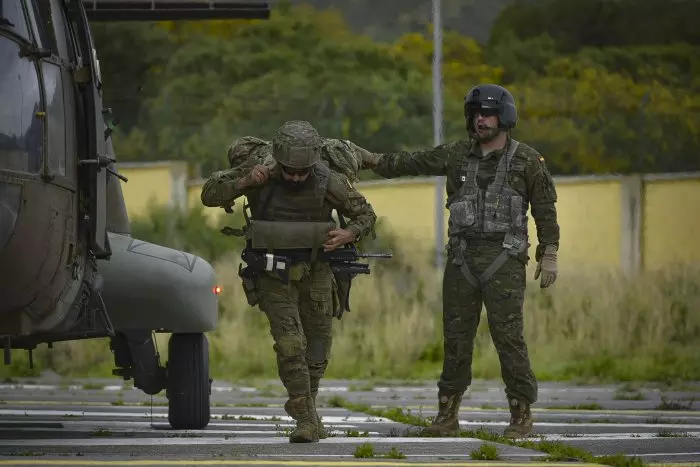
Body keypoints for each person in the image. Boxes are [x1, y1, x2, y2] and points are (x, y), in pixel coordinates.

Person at [360, 84, 560, 438]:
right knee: (456, 338)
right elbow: (412, 161)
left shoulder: (527, 160)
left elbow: (544, 211)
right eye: (476, 114)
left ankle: (521, 415)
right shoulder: (456, 155)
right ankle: (447, 414)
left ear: (504, 117)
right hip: (463, 259)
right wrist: (369, 159)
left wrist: (550, 252)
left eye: (488, 113)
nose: (481, 120)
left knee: (509, 338)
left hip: (505, 259)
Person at [200, 120, 377, 443]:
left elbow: (366, 214)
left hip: (317, 271)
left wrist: (349, 233)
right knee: (290, 344)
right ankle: (307, 418)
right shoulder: (259, 171)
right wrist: (244, 181)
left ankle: (306, 407)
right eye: (289, 171)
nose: (296, 177)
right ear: (278, 160)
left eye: (302, 172)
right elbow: (209, 194)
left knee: (318, 349)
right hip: (272, 274)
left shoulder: (327, 180)